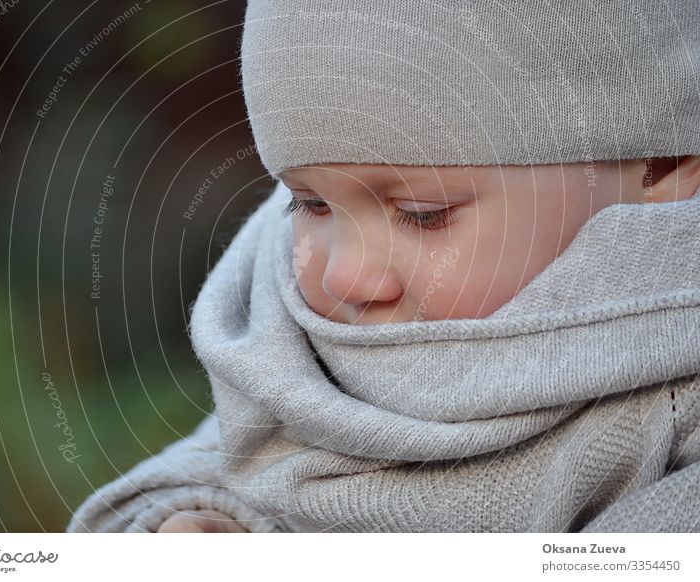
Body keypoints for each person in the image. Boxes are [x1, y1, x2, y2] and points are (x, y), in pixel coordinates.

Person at [67, 1, 700, 533]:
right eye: (308, 203)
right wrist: (190, 526)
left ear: (663, 166)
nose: (345, 278)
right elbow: (211, 471)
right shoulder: (293, 350)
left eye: (424, 214)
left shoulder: (676, 406)